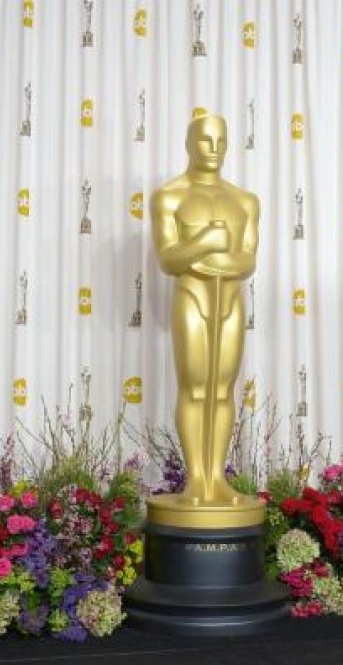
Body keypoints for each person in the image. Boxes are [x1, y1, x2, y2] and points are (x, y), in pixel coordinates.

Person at [150, 113, 258, 506]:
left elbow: (247, 262)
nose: (214, 150)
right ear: (188, 143)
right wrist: (209, 242)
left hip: (229, 299)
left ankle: (217, 476)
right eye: (205, 141)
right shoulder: (170, 196)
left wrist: (201, 258)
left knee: (223, 389)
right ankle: (196, 477)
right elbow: (168, 258)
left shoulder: (244, 201)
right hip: (192, 298)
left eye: (221, 142)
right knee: (196, 387)